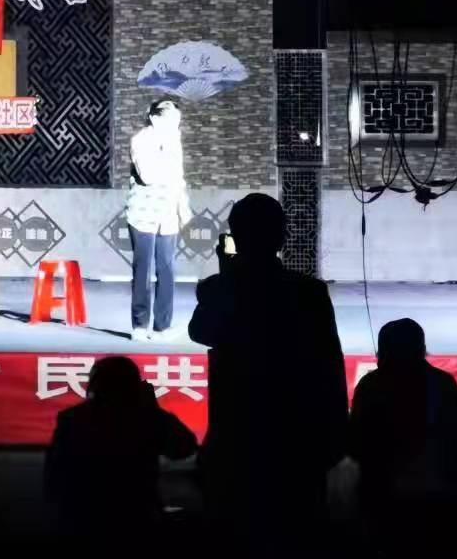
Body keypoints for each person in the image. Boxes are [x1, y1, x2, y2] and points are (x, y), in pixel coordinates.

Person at [188, 192, 347, 554]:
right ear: (281, 237)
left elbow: (202, 331)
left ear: (236, 238)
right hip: (297, 440)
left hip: (236, 439)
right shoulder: (309, 293)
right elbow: (330, 365)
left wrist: (227, 276)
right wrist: (335, 434)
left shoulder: (220, 288)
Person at [44, 356, 197, 547]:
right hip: (137, 517)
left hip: (83, 519)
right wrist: (154, 410)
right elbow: (184, 448)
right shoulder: (146, 418)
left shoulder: (72, 418)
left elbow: (53, 475)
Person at [348, 318, 457, 553]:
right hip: (433, 494)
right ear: (421, 349)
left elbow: (357, 444)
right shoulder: (444, 384)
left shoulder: (370, 386)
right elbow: (451, 447)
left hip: (382, 496)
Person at [125, 99, 193, 340]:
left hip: (168, 213)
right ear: (154, 118)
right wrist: (166, 153)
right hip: (143, 213)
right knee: (142, 269)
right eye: (171, 119)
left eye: (177, 120)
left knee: (167, 269)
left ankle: (162, 326)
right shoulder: (140, 140)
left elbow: (179, 178)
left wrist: (183, 209)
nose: (175, 124)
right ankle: (139, 325)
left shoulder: (174, 141)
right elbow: (148, 175)